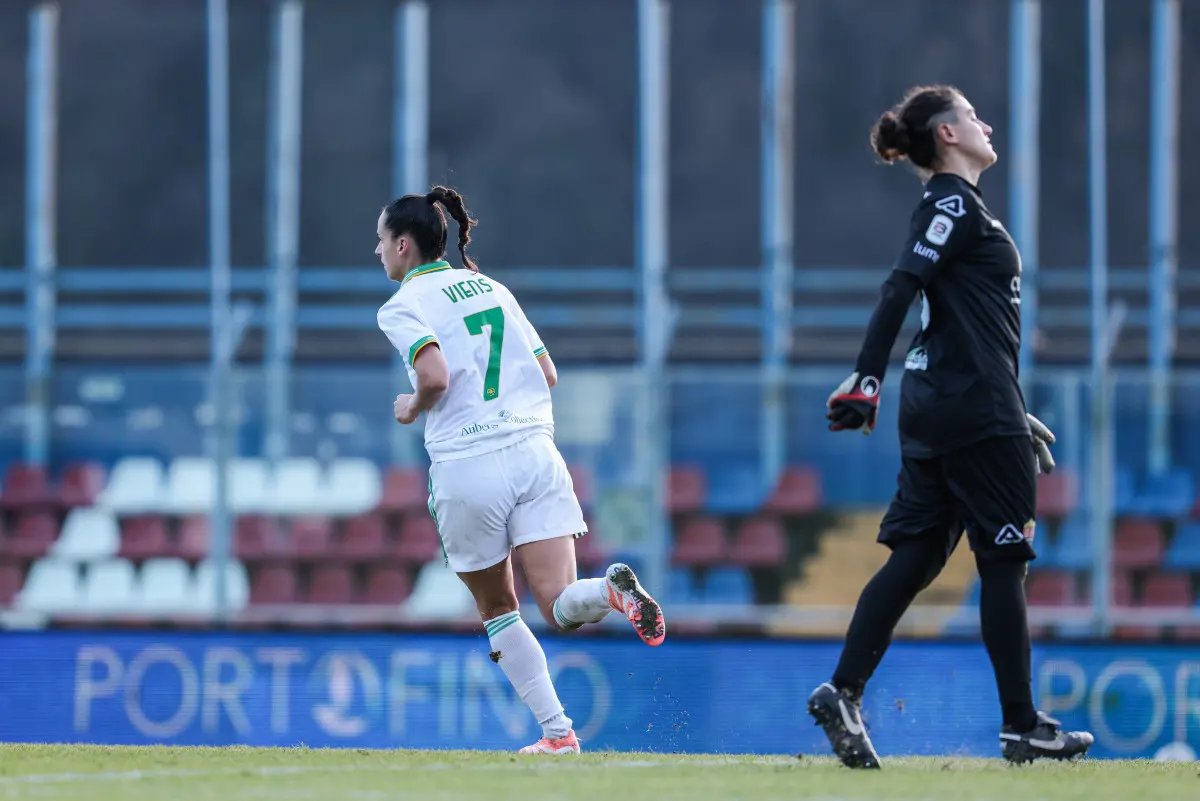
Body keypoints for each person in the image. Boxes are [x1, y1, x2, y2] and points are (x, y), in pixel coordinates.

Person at [807, 85, 1093, 768]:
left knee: (916, 557)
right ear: (945, 134)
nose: (985, 124)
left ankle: (844, 690)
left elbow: (958, 319)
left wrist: (1008, 406)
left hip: (948, 401)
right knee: (1002, 560)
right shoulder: (954, 204)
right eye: (972, 116)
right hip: (968, 405)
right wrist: (867, 377)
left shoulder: (955, 208)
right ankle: (1022, 724)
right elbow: (900, 286)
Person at [375, 186, 666, 756]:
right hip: (535, 452)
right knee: (559, 602)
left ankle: (558, 734)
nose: (378, 252)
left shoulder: (402, 305)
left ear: (404, 245)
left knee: (498, 609)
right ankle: (609, 591)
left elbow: (433, 377)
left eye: (380, 241)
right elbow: (548, 373)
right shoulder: (492, 288)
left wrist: (411, 405)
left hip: (468, 464)